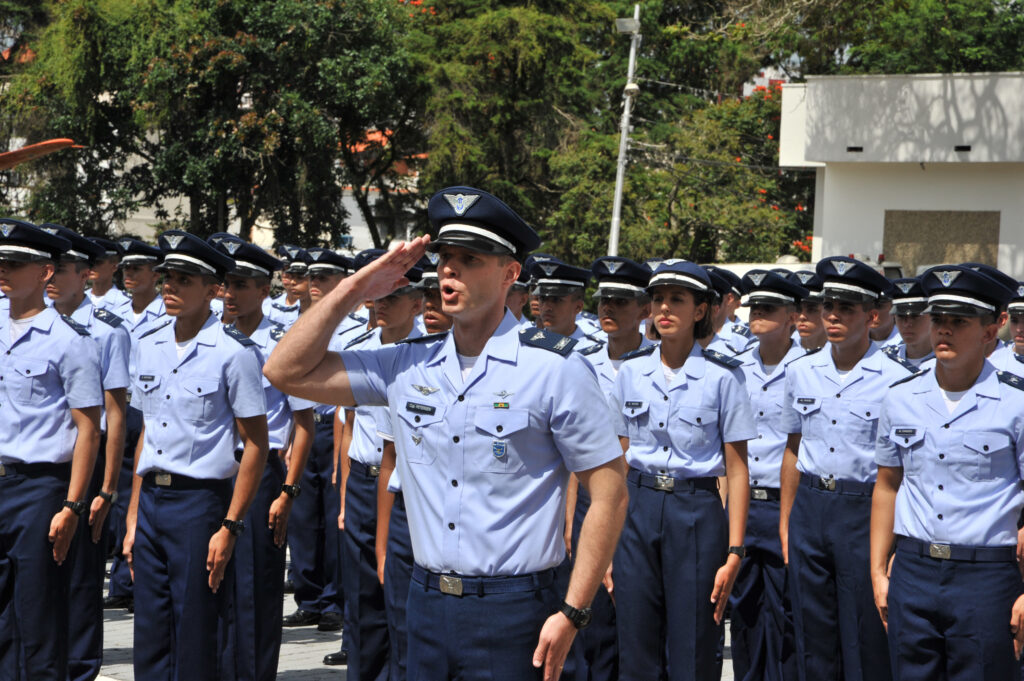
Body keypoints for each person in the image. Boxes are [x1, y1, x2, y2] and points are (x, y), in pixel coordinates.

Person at [265, 186, 628, 681]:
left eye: (470, 259)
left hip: (517, 609)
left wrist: (574, 611)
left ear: (509, 274)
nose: (449, 270)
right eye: (444, 257)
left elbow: (608, 493)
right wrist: (355, 289)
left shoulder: (555, 369)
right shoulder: (407, 364)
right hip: (426, 602)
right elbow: (283, 371)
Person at [122, 230, 269, 681]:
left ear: (213, 290)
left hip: (200, 504)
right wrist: (131, 519)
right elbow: (147, 433)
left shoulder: (234, 354)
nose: (170, 287)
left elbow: (256, 445)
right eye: (167, 277)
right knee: (149, 632)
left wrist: (231, 524)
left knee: (196, 633)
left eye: (184, 279)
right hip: (151, 504)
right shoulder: (148, 343)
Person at [870, 264, 1022, 681]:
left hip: (985, 576)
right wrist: (878, 572)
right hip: (914, 570)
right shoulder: (900, 398)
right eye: (939, 320)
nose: (944, 331)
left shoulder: (1015, 404)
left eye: (959, 321)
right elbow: (887, 485)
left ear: (991, 331)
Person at [611, 259, 754, 681]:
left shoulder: (723, 377)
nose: (665, 308)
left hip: (696, 510)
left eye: (678, 299)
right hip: (636, 507)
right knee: (635, 643)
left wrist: (734, 549)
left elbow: (738, 467)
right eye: (657, 299)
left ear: (700, 310)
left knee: (693, 645)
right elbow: (617, 459)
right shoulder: (632, 372)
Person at [779, 256, 918, 681]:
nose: (833, 315)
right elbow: (793, 449)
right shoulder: (801, 371)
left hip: (864, 510)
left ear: (872, 316)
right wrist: (787, 523)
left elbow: (903, 470)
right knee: (811, 630)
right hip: (811, 505)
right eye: (827, 306)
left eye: (846, 307)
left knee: (864, 631)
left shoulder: (896, 377)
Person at [0, 218, 103, 681]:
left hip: (40, 488)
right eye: (1, 261)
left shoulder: (69, 342)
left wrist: (72, 504)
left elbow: (88, 429)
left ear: (45, 272)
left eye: (15, 263)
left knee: (39, 615)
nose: (4, 270)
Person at [213, 235, 316, 681]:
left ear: (264, 290)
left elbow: (305, 422)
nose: (230, 293)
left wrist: (290, 490)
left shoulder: (282, 342)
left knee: (255, 586)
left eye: (241, 284)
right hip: (213, 472)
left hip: (263, 472)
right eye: (226, 284)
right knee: (213, 583)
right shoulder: (207, 337)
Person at [43, 224, 131, 681]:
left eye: (63, 268)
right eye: (48, 267)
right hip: (35, 467)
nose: (52, 276)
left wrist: (109, 487)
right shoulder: (23, 321)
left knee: (79, 578)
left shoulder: (106, 332)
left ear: (86, 274)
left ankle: (78, 669)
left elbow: (115, 415)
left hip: (85, 464)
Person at [338, 256, 424, 681]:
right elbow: (348, 425)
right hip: (362, 483)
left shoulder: (428, 355)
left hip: (406, 493)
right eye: (377, 298)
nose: (382, 305)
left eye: (393, 297)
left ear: (417, 303)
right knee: (362, 605)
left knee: (404, 608)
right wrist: (342, 499)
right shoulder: (359, 348)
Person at [571, 255, 654, 681]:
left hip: (643, 502)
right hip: (592, 500)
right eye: (604, 300)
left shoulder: (661, 366)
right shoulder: (580, 363)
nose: (608, 309)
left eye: (621, 301)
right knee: (593, 618)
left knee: (639, 620)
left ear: (645, 310)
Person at [730, 270, 807, 681]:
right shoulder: (734, 366)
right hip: (742, 503)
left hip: (783, 504)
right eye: (754, 306)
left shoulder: (807, 368)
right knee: (742, 609)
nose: (757, 312)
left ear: (793, 315)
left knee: (785, 611)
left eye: (769, 307)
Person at [284, 246, 352, 634]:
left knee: (333, 513)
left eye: (323, 278)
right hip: (304, 425)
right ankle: (308, 597)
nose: (313, 285)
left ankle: (332, 600)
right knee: (304, 516)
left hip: (334, 425)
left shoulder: (353, 326)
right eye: (311, 278)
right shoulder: (302, 323)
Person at [104, 236, 166, 611]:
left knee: (138, 492)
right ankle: (119, 580)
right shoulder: (116, 314)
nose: (129, 274)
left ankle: (134, 578)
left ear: (155, 275)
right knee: (114, 494)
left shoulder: (169, 313)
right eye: (126, 267)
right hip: (119, 406)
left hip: (150, 407)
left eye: (137, 268)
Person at [532, 257, 604, 350]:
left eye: (556, 300)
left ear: (578, 307)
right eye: (542, 298)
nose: (546, 307)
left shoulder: (592, 350)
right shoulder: (527, 346)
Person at [886, 277, 934, 366]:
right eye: (901, 316)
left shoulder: (947, 362)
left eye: (915, 316)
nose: (907, 324)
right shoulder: (885, 360)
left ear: (932, 316)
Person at [86, 237, 130, 312]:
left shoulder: (125, 302)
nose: (92, 266)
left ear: (114, 267)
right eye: (89, 262)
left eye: (98, 262)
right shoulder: (76, 299)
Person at [788, 271, 827, 351]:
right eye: (797, 309)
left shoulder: (843, 353)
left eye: (811, 310)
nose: (802, 317)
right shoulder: (780, 352)